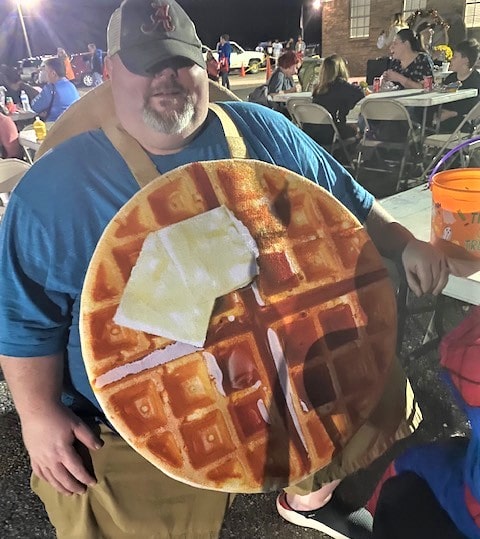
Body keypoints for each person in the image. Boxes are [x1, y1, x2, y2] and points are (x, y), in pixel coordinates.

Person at [0, 1, 450, 538]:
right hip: (138, 413)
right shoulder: (56, 190)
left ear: (205, 66)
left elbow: (348, 200)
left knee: (373, 383)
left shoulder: (265, 132)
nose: (167, 77)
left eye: (181, 61)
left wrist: (405, 243)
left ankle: (307, 498)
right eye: (147, 63)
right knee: (105, 503)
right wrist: (36, 414)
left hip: (299, 359)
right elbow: (23, 319)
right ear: (111, 72)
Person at [304, 54, 363, 144]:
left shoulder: (317, 89)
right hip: (331, 133)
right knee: (356, 130)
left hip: (312, 132)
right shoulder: (340, 85)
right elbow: (359, 93)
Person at [436, 38, 480, 133]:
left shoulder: (476, 81)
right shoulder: (451, 78)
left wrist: (452, 114)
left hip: (463, 126)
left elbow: (473, 108)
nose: (451, 59)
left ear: (465, 60)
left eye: (455, 57)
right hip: (443, 122)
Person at [30, 57, 79, 122]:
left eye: (45, 71)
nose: (43, 73)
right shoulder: (71, 85)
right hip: (74, 122)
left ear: (53, 73)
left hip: (56, 125)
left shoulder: (50, 88)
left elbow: (35, 107)